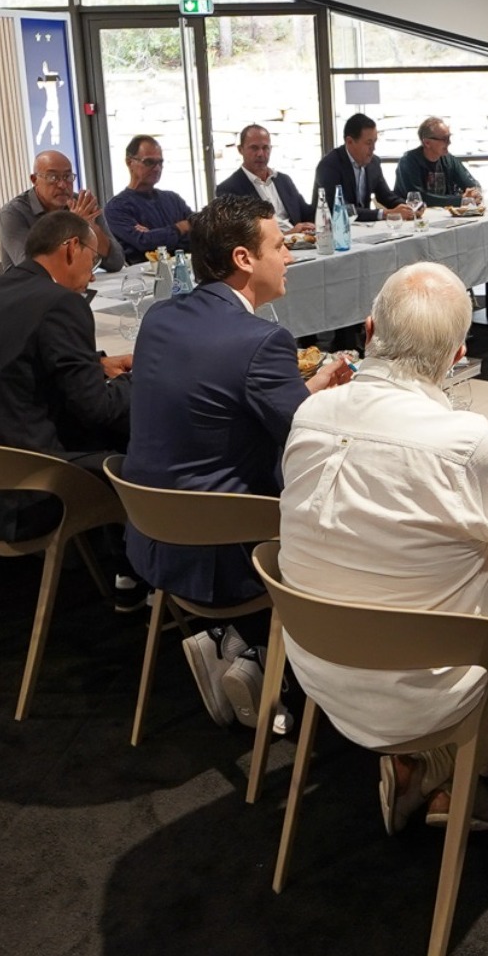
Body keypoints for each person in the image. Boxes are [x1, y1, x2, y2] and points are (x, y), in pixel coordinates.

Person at [277, 262, 488, 833]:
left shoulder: (310, 414)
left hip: (319, 667)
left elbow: (404, 472)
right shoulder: (465, 443)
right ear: (459, 353)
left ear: (367, 332)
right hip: (421, 690)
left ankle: (425, 772)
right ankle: (448, 771)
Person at [124, 196, 350, 729]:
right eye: (279, 246)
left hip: (151, 538)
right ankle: (272, 666)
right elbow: (309, 442)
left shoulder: (160, 317)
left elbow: (225, 400)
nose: (290, 257)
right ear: (244, 258)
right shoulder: (262, 340)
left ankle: (238, 649)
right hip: (224, 557)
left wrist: (308, 386)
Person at [0, 210, 133, 553]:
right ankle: (134, 576)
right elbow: (97, 409)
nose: (92, 275)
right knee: (145, 458)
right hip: (32, 483)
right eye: (92, 259)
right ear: (71, 248)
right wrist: (140, 380)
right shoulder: (62, 303)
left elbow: (17, 357)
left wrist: (95, 364)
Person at [0, 150, 124, 272]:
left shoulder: (81, 205)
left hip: (76, 284)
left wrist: (91, 229)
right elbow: (33, 269)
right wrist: (73, 228)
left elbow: (117, 261)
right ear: (34, 180)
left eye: (67, 177)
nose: (62, 185)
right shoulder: (13, 213)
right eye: (53, 177)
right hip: (28, 290)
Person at [103, 135, 192, 263]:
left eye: (160, 162)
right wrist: (179, 228)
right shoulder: (117, 207)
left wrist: (156, 236)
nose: (157, 168)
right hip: (142, 277)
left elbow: (197, 230)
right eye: (149, 162)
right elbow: (144, 243)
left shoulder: (172, 199)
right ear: (130, 162)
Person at [212, 124, 314, 233]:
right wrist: (288, 235)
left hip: (302, 244)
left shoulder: (284, 180)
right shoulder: (228, 189)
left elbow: (306, 214)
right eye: (254, 148)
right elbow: (241, 235)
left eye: (265, 148)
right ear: (240, 150)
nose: (261, 154)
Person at [311, 114, 412, 221]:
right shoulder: (329, 166)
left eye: (375, 142)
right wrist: (385, 214)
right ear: (349, 142)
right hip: (333, 229)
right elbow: (339, 209)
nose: (373, 148)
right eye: (369, 143)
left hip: (364, 229)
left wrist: (408, 208)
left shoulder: (373, 162)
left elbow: (386, 196)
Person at [393, 117, 481, 208]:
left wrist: (474, 194)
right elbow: (418, 198)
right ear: (427, 143)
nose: (449, 142)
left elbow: (471, 185)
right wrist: (460, 200)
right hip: (413, 217)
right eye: (444, 139)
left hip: (445, 216)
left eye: (449, 137)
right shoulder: (408, 161)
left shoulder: (449, 160)